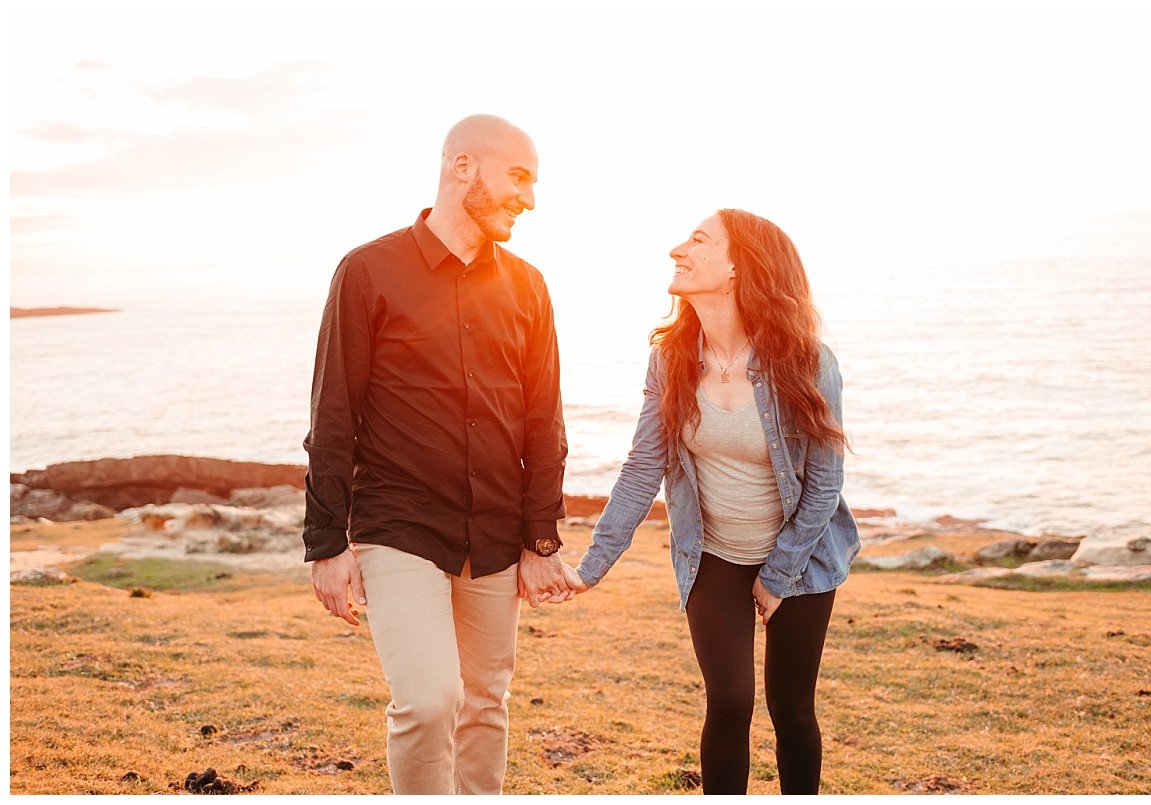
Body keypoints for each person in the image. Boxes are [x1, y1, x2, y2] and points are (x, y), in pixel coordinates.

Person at [301, 114, 573, 795]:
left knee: (484, 702)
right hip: (399, 527)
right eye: (518, 177)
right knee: (428, 700)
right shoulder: (367, 271)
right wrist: (326, 543)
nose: (529, 198)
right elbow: (333, 414)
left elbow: (544, 421)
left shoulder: (530, 286)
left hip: (496, 534)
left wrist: (542, 537)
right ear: (463, 169)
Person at [563, 209, 860, 795]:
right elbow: (643, 466)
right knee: (729, 702)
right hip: (713, 556)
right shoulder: (671, 359)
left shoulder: (807, 361)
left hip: (802, 558)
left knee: (792, 710)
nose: (677, 248)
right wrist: (591, 567)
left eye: (697, 240)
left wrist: (778, 575)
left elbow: (825, 483)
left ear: (736, 266)